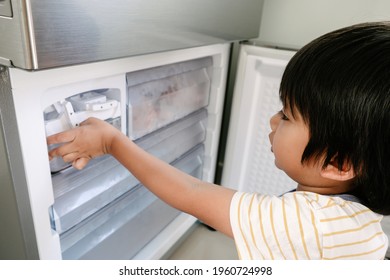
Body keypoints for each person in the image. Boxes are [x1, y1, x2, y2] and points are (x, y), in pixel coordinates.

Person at [47, 22, 389, 260]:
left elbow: (191, 194)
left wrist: (112, 142)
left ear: (339, 163)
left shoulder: (310, 226)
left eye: (286, 115)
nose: (273, 119)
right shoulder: (359, 222)